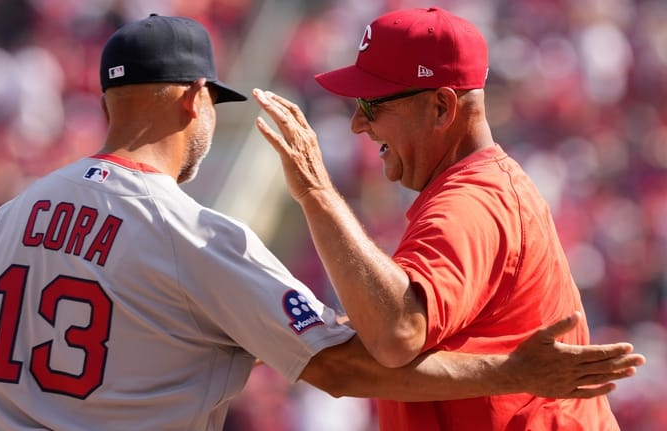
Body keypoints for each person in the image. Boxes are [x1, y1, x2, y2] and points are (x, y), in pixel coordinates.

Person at [0, 13, 644, 431]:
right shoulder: (196, 236)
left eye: (374, 105)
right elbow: (348, 362)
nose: (360, 123)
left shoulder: (9, 219)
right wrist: (512, 370)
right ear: (193, 103)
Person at [253, 6, 637, 431]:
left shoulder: (471, 203)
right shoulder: (481, 189)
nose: (359, 124)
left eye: (372, 104)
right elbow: (396, 335)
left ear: (440, 107)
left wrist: (317, 193)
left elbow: (397, 333)